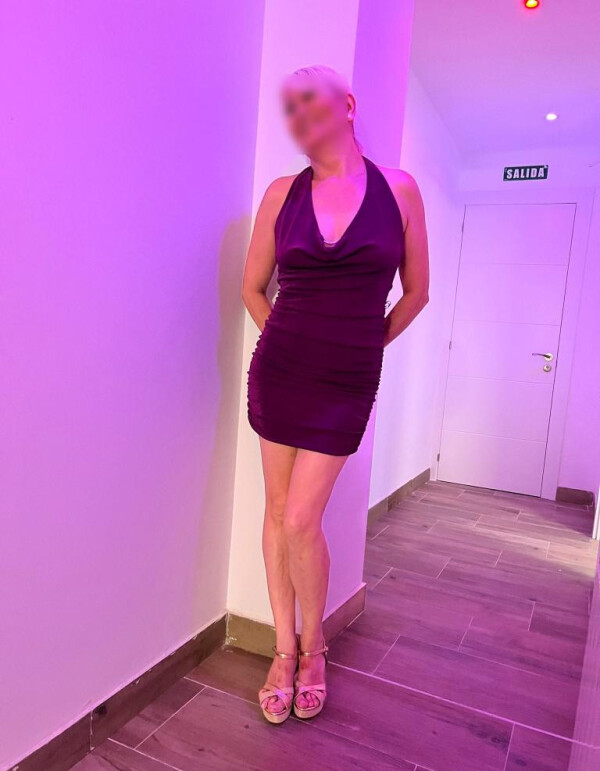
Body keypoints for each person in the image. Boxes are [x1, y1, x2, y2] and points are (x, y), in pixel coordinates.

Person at [241, 65, 429, 724]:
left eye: (309, 100)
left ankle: (314, 648)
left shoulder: (398, 190)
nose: (298, 114)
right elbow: (252, 288)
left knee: (300, 518)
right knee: (276, 511)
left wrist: (366, 346)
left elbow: (416, 292)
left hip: (345, 382)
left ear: (346, 105)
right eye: (289, 107)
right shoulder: (280, 194)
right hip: (279, 372)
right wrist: (286, 339)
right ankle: (282, 650)